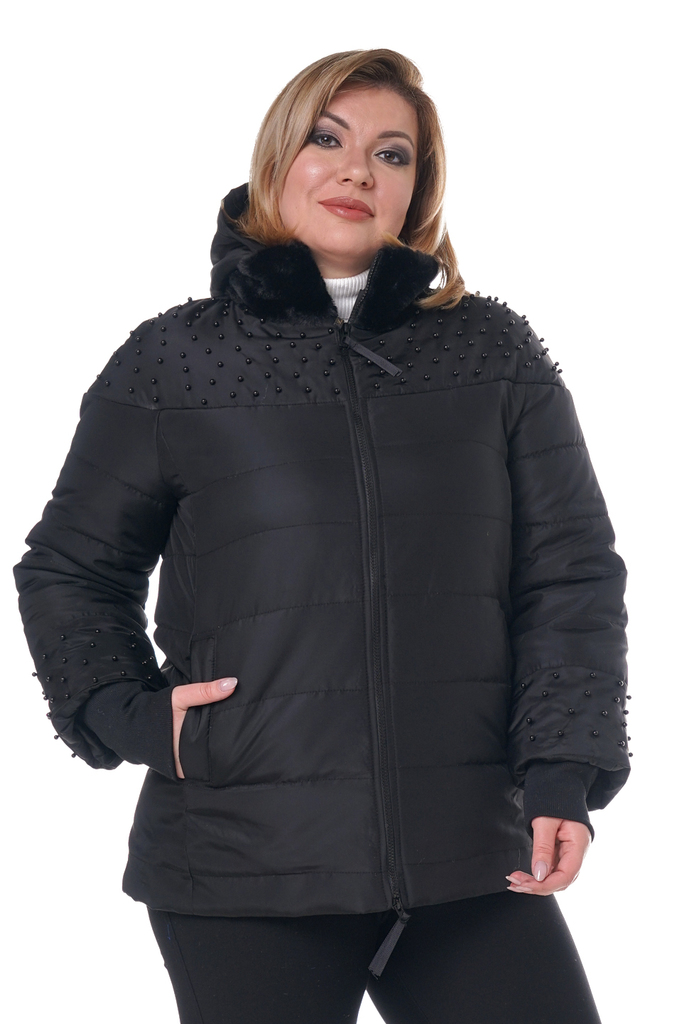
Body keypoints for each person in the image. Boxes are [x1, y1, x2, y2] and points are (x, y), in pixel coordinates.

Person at [14, 48, 631, 1024]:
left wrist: (563, 769)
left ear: (416, 190)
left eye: (392, 153)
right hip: (243, 863)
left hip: (468, 854)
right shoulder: (174, 362)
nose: (356, 171)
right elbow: (69, 569)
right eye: (326, 139)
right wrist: (127, 713)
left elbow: (569, 575)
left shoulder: (491, 354)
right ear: (278, 159)